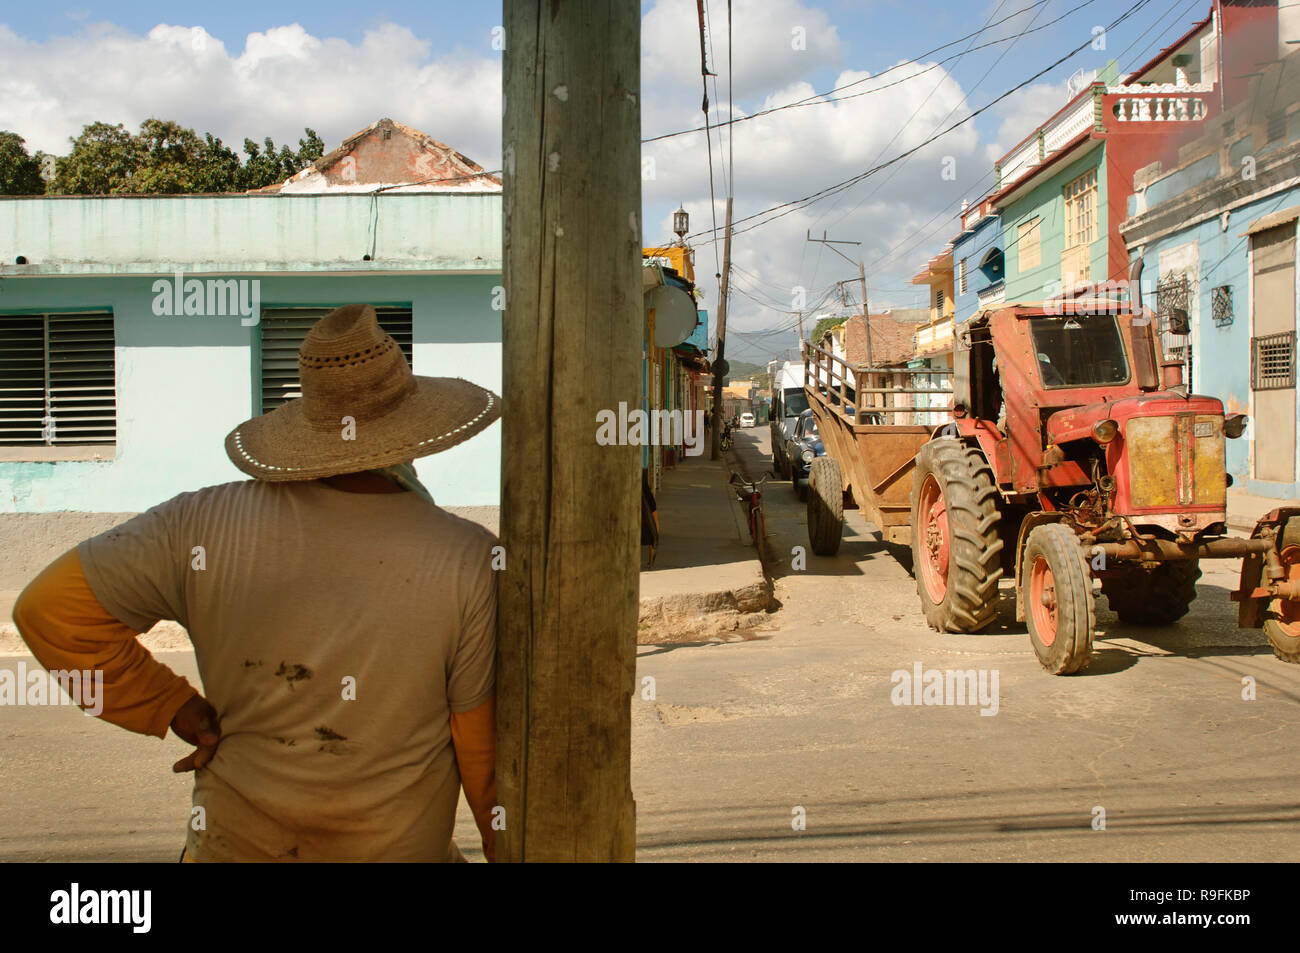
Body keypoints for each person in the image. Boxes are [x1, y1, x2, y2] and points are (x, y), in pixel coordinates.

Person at [13, 304, 502, 863]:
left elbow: (47, 610)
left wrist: (175, 707)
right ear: (414, 429)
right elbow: (479, 745)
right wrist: (499, 842)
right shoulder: (470, 558)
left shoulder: (197, 522)